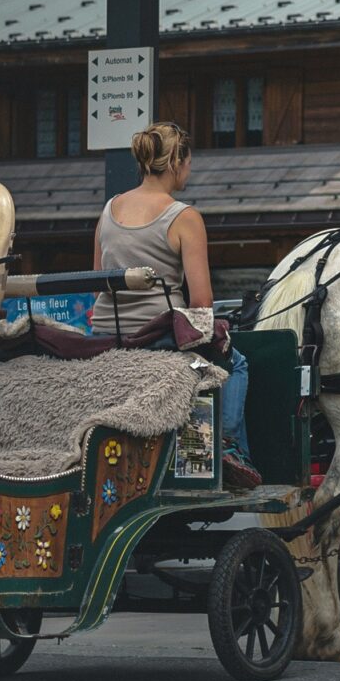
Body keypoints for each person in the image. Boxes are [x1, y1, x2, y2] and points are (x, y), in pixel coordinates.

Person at [95, 122, 257, 488]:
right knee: (235, 362)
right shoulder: (183, 217)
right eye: (188, 162)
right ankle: (228, 447)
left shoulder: (108, 210)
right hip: (157, 339)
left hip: (105, 336)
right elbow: (201, 302)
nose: (190, 170)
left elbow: (97, 280)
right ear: (175, 163)